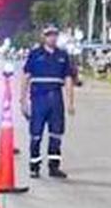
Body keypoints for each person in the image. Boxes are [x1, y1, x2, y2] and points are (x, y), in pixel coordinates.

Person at [19, 24, 78, 178]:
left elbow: (68, 79)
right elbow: (26, 77)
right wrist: (23, 100)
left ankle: (54, 167)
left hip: (56, 99)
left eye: (54, 35)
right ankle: (34, 166)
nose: (52, 37)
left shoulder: (62, 55)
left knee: (56, 134)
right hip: (39, 99)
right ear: (43, 37)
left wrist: (71, 102)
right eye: (49, 35)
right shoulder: (35, 54)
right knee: (36, 134)